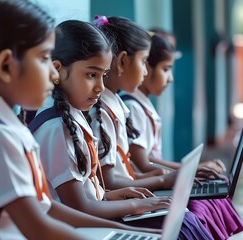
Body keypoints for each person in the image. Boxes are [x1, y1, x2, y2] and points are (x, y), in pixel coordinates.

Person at [0, 1, 158, 239]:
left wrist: (122, 230)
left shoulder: (3, 126)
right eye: (44, 59)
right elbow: (38, 228)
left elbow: (46, 207)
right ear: (5, 66)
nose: (54, 73)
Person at [31, 20, 172, 222]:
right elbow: (79, 208)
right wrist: (133, 206)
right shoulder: (56, 127)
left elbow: (84, 194)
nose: (100, 86)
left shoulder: (74, 114)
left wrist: (107, 196)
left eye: (103, 75)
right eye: (91, 75)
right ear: (58, 70)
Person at [90, 15, 213, 240]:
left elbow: (124, 170)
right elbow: (109, 183)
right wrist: (161, 180)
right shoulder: (101, 111)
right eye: (143, 62)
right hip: (114, 209)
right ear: (124, 61)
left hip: (123, 200)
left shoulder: (114, 105)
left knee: (192, 211)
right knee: (186, 221)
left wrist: (160, 178)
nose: (145, 72)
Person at [121, 31, 243, 239]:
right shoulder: (131, 106)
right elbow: (144, 163)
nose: (170, 79)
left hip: (147, 183)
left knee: (213, 197)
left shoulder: (141, 104)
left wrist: (191, 171)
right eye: (166, 70)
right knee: (196, 210)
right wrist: (187, 172)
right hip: (141, 187)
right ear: (147, 67)